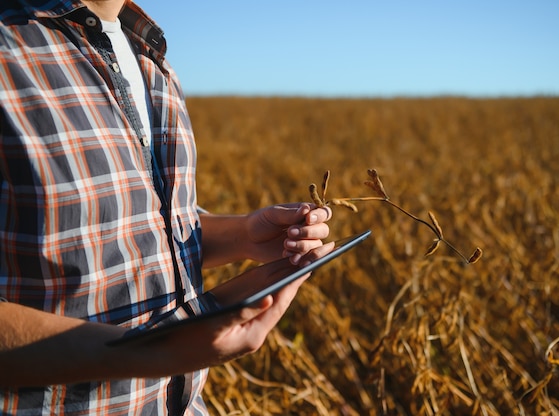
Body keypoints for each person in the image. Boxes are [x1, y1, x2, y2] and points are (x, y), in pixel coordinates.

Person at [0, 0, 332, 414]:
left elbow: (133, 227)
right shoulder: (8, 46)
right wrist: (150, 354)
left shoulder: (151, 58)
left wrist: (243, 235)